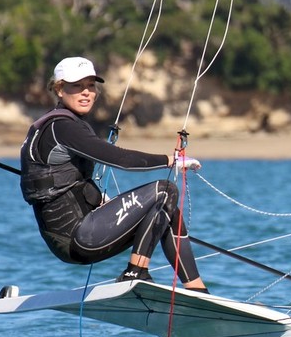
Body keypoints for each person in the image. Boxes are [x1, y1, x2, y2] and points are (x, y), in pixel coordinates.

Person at [19, 56, 208, 292]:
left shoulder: (50, 125)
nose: (86, 92)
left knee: (166, 210)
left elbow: (68, 180)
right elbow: (122, 160)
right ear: (59, 89)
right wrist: (170, 161)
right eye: (77, 86)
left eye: (90, 86)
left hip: (70, 239)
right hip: (78, 238)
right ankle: (135, 272)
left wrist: (99, 201)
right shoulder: (62, 127)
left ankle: (198, 290)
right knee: (165, 191)